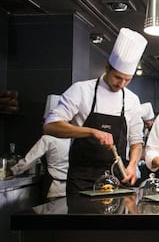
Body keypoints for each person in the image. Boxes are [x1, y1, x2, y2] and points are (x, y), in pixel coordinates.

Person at [43, 27, 148, 195]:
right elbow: (50, 126)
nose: (121, 84)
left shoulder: (131, 99)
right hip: (82, 180)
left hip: (118, 179)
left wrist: (132, 165)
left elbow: (136, 141)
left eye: (127, 80)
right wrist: (91, 132)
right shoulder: (81, 90)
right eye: (117, 77)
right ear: (107, 67)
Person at [11, 94, 70, 201]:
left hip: (53, 188)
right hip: (70, 188)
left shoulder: (47, 139)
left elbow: (28, 161)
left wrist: (12, 171)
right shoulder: (72, 138)